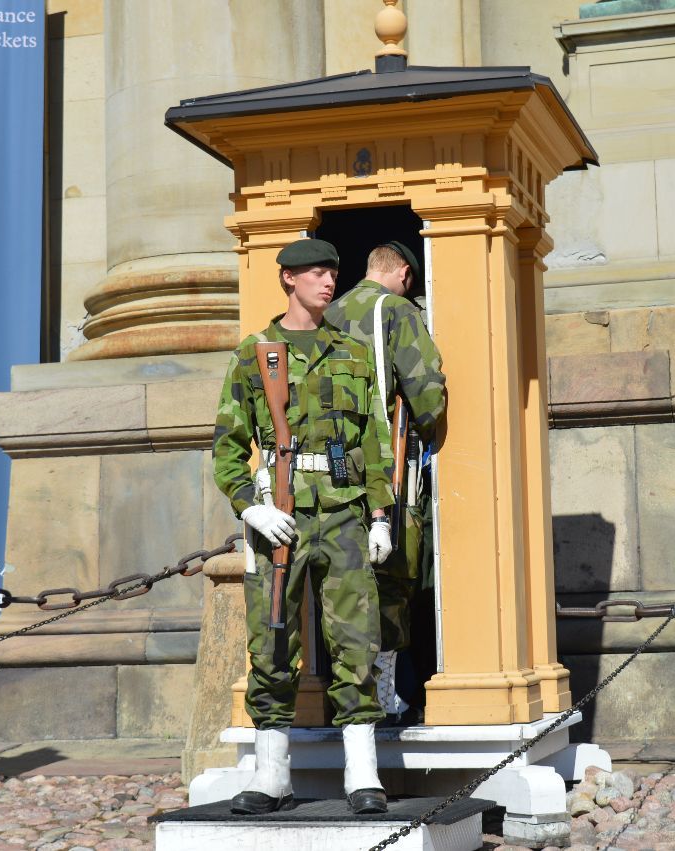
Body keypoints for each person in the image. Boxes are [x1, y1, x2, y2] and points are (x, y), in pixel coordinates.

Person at [212, 238, 395, 816]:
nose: (328, 280)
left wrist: (381, 514)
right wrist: (249, 506)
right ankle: (272, 776)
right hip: (281, 517)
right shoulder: (255, 353)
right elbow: (227, 444)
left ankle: (363, 775)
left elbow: (373, 437)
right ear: (287, 278)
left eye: (333, 271)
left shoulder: (353, 352)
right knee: (271, 642)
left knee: (357, 643)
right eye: (316, 271)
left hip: (342, 513)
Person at [325, 240, 446, 726]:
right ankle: (388, 696)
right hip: (386, 467)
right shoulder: (395, 310)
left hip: (329, 469)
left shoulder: (327, 313)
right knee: (393, 577)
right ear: (403, 274)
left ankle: (347, 695)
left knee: (341, 582)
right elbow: (426, 394)